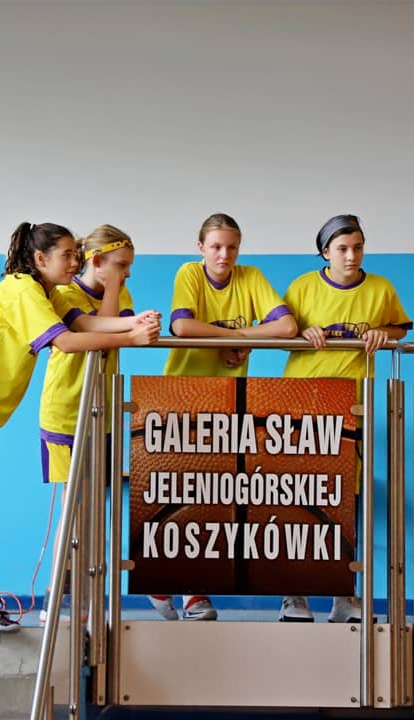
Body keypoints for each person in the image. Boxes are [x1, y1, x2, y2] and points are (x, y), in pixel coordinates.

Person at [0, 222, 160, 632]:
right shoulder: (24, 290)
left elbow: (84, 324)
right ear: (40, 258)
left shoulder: (40, 291)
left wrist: (133, 322)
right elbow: (65, 342)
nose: (75, 261)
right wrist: (130, 339)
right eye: (67, 255)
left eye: (77, 254)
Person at [151, 212, 298, 622]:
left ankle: (188, 590)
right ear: (201, 248)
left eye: (232, 247)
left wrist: (233, 340)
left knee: (213, 498)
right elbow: (182, 326)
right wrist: (240, 338)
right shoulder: (189, 273)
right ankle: (172, 583)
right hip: (181, 397)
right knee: (175, 497)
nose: (224, 254)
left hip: (228, 401)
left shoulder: (250, 277)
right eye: (216, 246)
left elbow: (287, 327)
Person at [279, 213, 413, 623]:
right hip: (301, 404)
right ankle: (293, 595)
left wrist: (383, 333)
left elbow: (400, 328)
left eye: (357, 247)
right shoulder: (302, 287)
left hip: (351, 406)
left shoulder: (380, 288)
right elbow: (280, 330)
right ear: (325, 253)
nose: (351, 256)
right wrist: (299, 333)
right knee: (296, 501)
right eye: (342, 249)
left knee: (343, 502)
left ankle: (344, 595)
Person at [37, 224, 137, 625]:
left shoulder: (122, 293)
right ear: (97, 261)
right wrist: (111, 288)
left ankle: (89, 596)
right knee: (73, 510)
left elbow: (120, 326)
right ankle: (56, 598)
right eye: (121, 266)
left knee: (96, 510)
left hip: (103, 410)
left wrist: (115, 288)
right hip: (67, 409)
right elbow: (103, 332)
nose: (126, 274)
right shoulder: (66, 294)